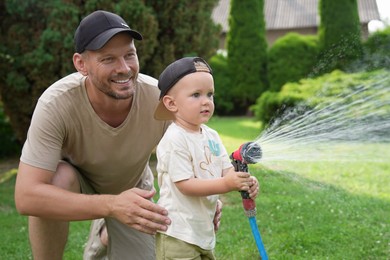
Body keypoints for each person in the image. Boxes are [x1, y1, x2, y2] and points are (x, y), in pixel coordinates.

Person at [14, 11, 224, 260]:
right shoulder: (56, 103)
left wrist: (209, 198)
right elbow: (27, 196)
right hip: (76, 182)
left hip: (134, 190)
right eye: (108, 59)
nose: (124, 68)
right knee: (55, 179)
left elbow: (192, 147)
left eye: (129, 55)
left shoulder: (158, 100)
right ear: (81, 64)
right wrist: (111, 205)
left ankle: (105, 234)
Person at [154, 57, 260, 259]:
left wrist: (244, 181)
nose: (206, 101)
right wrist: (227, 184)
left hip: (203, 230)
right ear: (171, 103)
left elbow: (227, 171)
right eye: (196, 95)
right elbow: (185, 185)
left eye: (210, 94)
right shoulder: (174, 139)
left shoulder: (211, 136)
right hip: (178, 233)